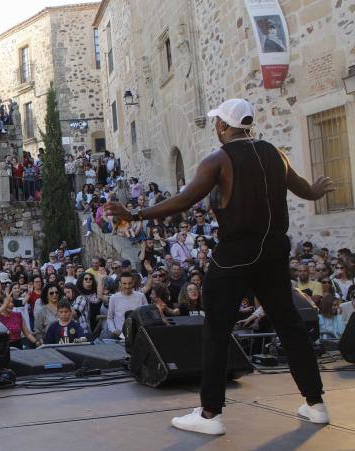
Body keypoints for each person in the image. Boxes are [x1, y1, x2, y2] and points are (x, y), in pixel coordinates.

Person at [105, 98, 334, 434]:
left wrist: (135, 214)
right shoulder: (276, 154)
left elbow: (185, 199)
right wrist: (316, 192)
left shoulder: (219, 159)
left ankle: (210, 414)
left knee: (217, 330)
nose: (216, 127)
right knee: (290, 325)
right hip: (273, 250)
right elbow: (303, 189)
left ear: (224, 126)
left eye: (217, 123)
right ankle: (315, 404)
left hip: (236, 253)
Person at [105, 272, 147, 339]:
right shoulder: (114, 298)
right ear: (120, 284)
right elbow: (110, 318)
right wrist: (114, 330)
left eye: (129, 283)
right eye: (124, 283)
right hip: (120, 336)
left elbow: (146, 315)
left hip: (138, 335)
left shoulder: (141, 296)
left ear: (133, 283)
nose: (127, 286)